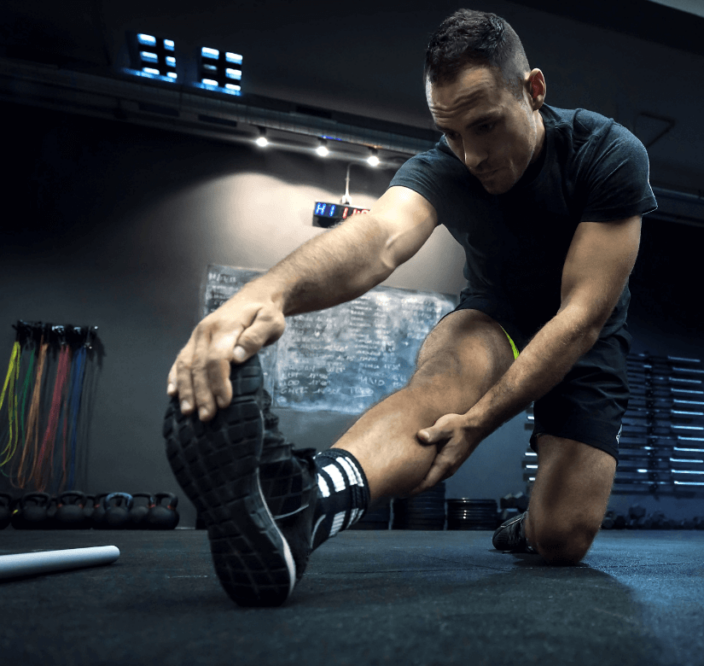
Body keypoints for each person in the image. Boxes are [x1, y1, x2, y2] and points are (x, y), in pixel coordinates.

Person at [163, 8, 657, 606]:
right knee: (440, 387)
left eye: (485, 126)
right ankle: (303, 505)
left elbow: (580, 320)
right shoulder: (446, 167)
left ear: (534, 90)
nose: (471, 155)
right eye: (451, 133)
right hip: (495, 314)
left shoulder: (606, 152)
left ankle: (526, 526)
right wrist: (265, 294)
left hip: (587, 335)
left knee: (563, 539)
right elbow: (380, 239)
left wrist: (479, 423)